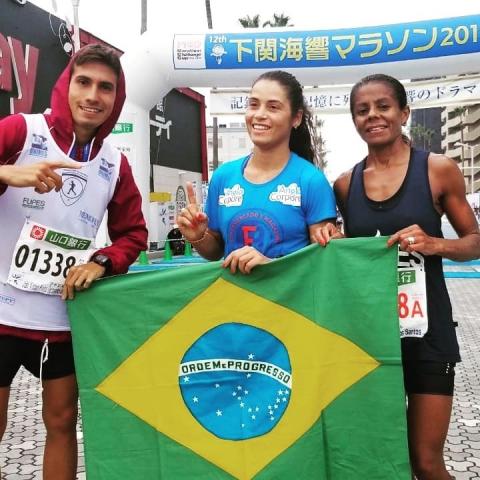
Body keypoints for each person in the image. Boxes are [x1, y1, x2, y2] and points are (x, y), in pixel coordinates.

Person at [320, 73, 480, 480]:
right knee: (378, 459)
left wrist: (434, 244)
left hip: (429, 336)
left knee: (425, 463)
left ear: (404, 112)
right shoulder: (344, 184)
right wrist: (330, 239)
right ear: (354, 120)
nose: (373, 115)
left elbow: (475, 241)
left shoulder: (438, 170)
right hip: (370, 338)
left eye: (383, 106)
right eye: (362, 110)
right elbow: (337, 253)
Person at [0, 44, 148, 479]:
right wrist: (7, 173)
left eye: (106, 87)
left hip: (59, 318)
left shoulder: (114, 164)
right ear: (66, 84)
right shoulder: (21, 132)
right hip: (1, 312)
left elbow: (133, 234)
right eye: (84, 82)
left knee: (62, 424)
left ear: (116, 98)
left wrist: (101, 262)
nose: (93, 95)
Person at [177, 70, 336, 273]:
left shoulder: (311, 181)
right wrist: (198, 236)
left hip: (290, 303)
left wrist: (270, 265)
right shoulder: (223, 177)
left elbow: (322, 261)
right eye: (253, 104)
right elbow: (215, 252)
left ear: (296, 118)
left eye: (273, 107)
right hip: (235, 301)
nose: (259, 114)